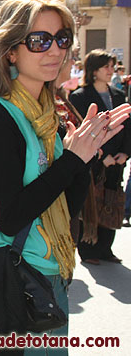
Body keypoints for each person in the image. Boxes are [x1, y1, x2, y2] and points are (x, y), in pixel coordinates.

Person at [0, 0, 130, 354]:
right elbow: (8, 218)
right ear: (11, 50)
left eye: (62, 39)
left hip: (51, 276)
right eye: (39, 40)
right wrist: (72, 160)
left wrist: (84, 156)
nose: (55, 50)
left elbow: (66, 205)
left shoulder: (51, 118)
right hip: (14, 281)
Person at [69, 49, 131, 264]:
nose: (111, 70)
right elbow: (79, 128)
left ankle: (106, 248)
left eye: (112, 66)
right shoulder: (80, 96)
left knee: (112, 201)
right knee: (92, 203)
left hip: (117, 160)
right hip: (94, 160)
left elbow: (127, 125)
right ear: (94, 70)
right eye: (106, 66)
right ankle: (89, 250)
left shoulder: (118, 94)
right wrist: (100, 155)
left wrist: (125, 152)